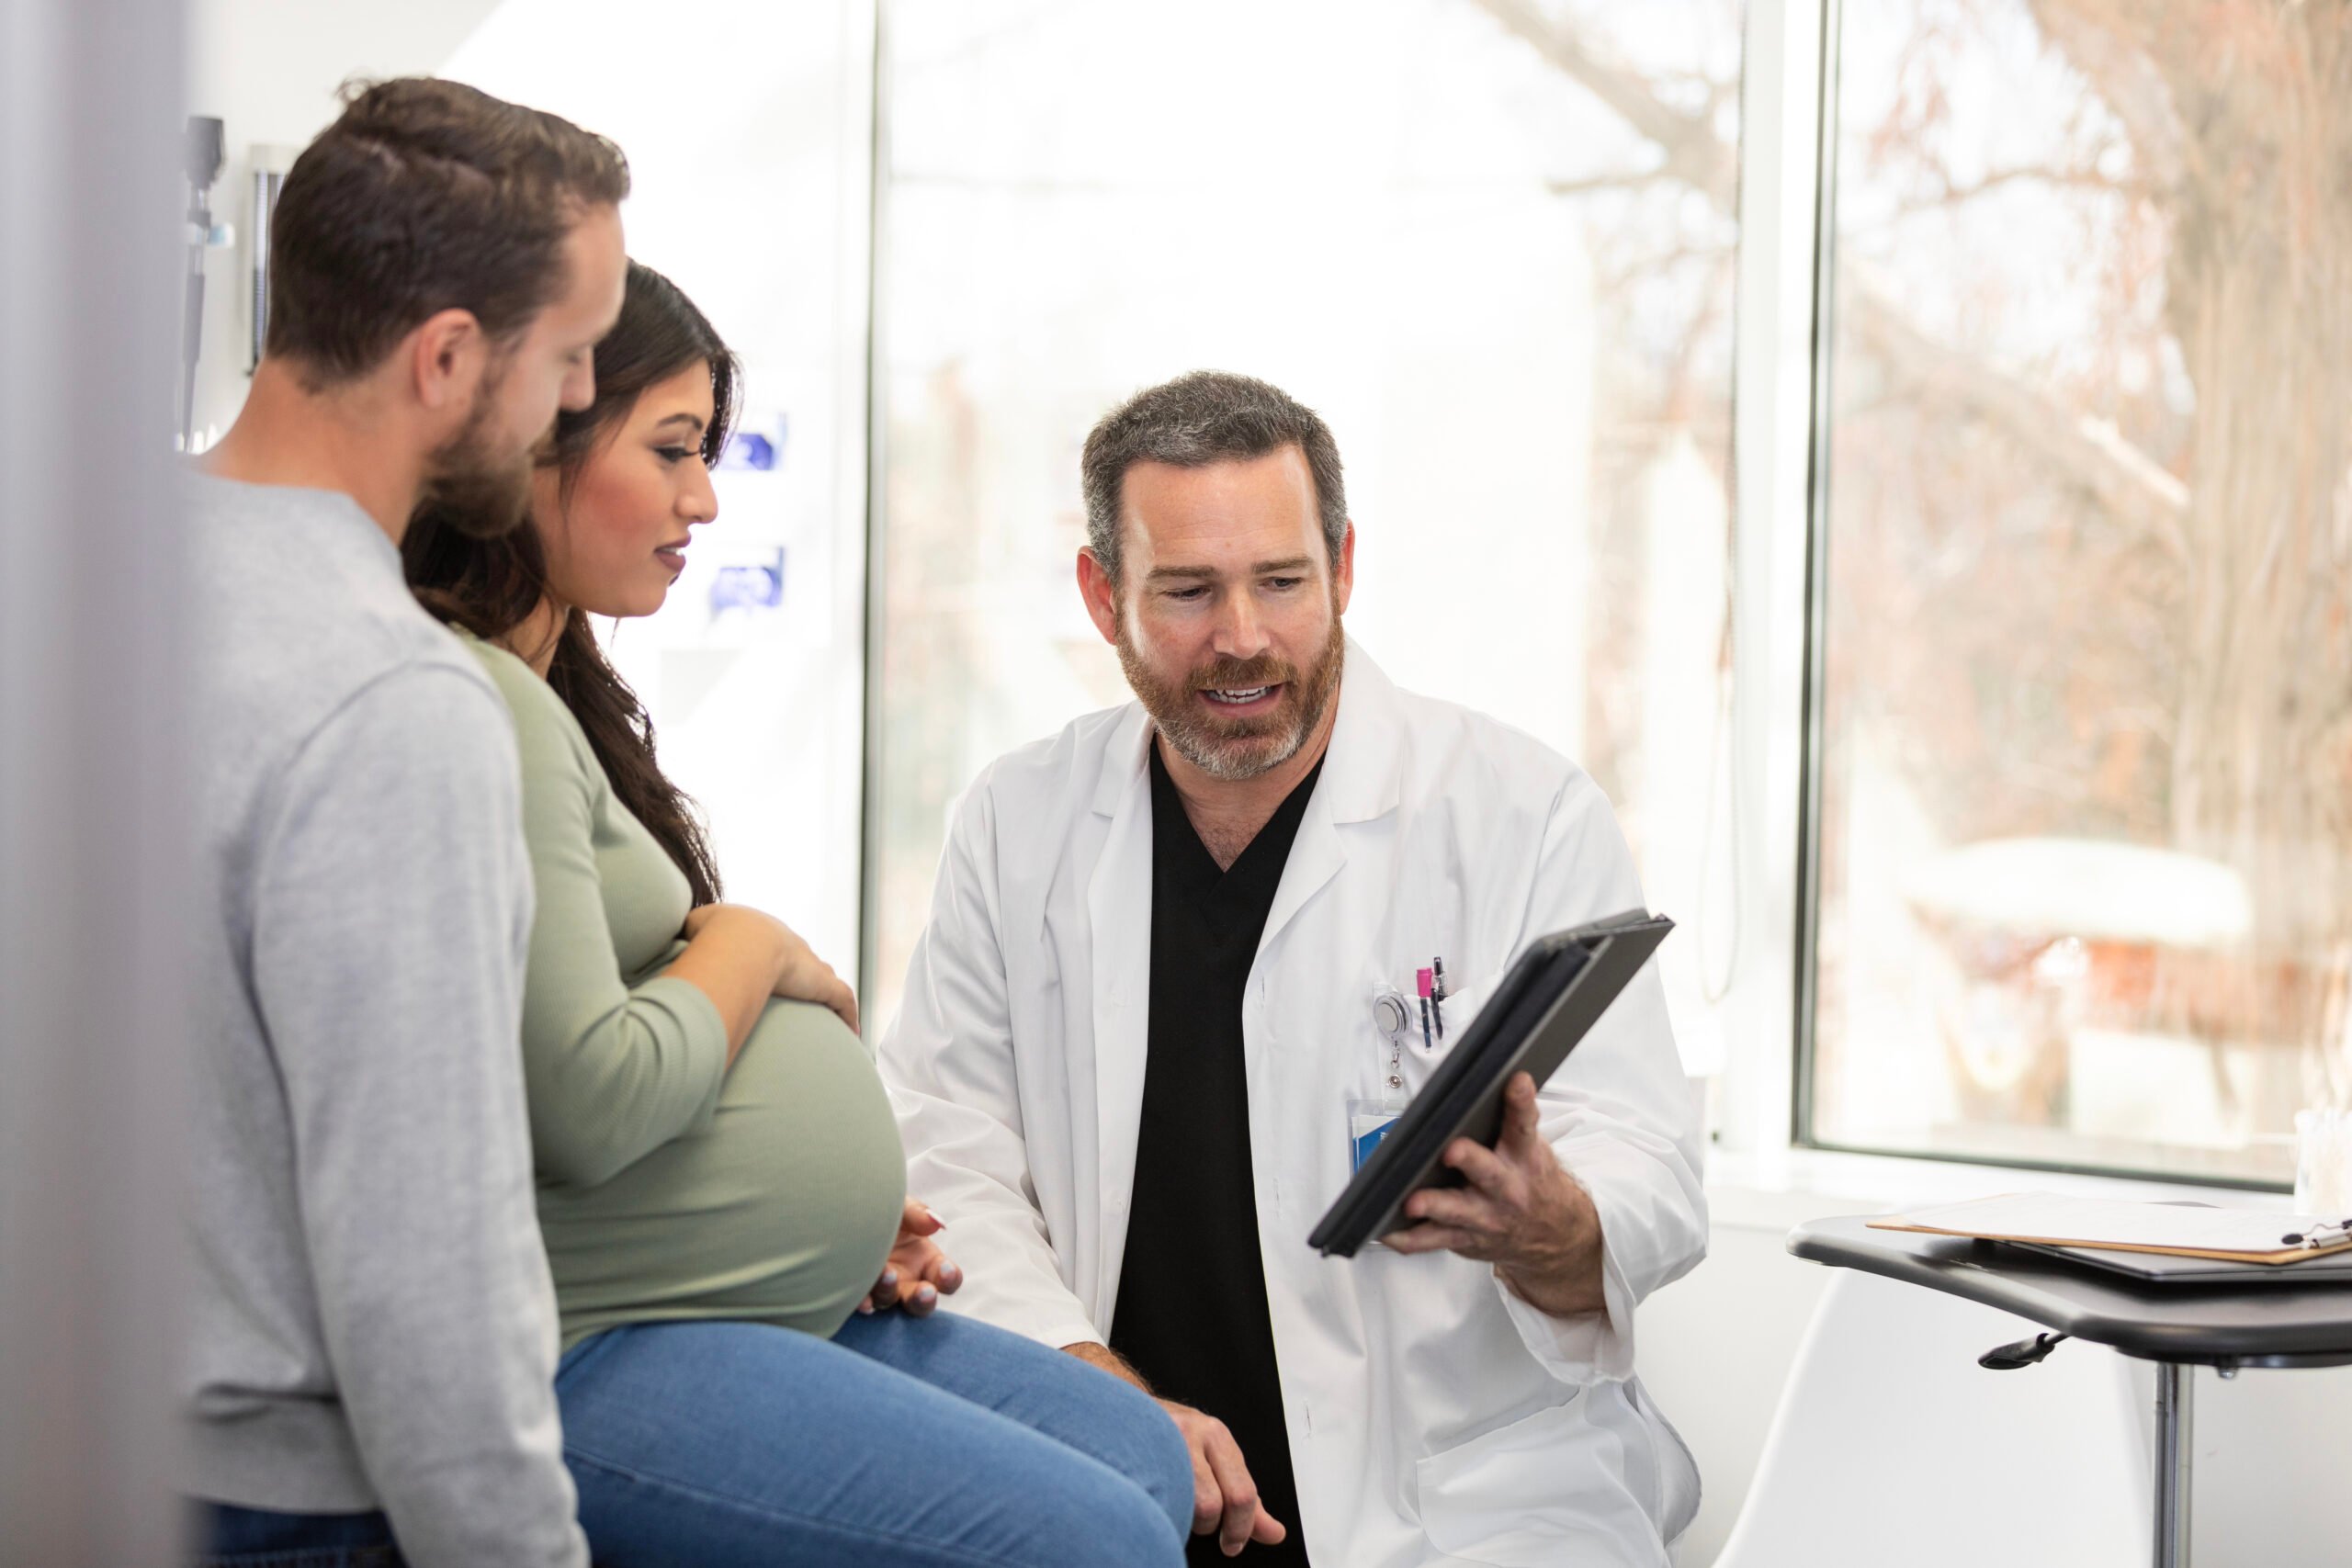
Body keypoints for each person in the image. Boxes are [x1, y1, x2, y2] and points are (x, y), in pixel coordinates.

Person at [401, 260, 1193, 1568]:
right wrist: (751, 944)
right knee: (1097, 1540)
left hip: (722, 1292)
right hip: (581, 1335)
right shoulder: (478, 703)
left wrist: (813, 1223)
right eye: (670, 452)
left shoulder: (564, 696)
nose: (703, 499)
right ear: (534, 441)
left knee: (1141, 1452)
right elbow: (581, 1098)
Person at [880, 370, 1708, 1566]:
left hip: (1463, 1504)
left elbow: (1645, 1157)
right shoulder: (1020, 823)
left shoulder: (1521, 815)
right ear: (1100, 593)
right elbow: (950, 1146)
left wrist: (1556, 1225)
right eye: (1187, 592)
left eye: (1281, 582)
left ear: (1345, 569)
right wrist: (1087, 1380)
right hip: (1139, 1489)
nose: (1243, 638)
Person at [185, 78, 629, 1565]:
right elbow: (425, 1276)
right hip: (281, 1511)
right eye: (568, 358)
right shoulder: (394, 704)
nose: (576, 401)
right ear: (446, 359)